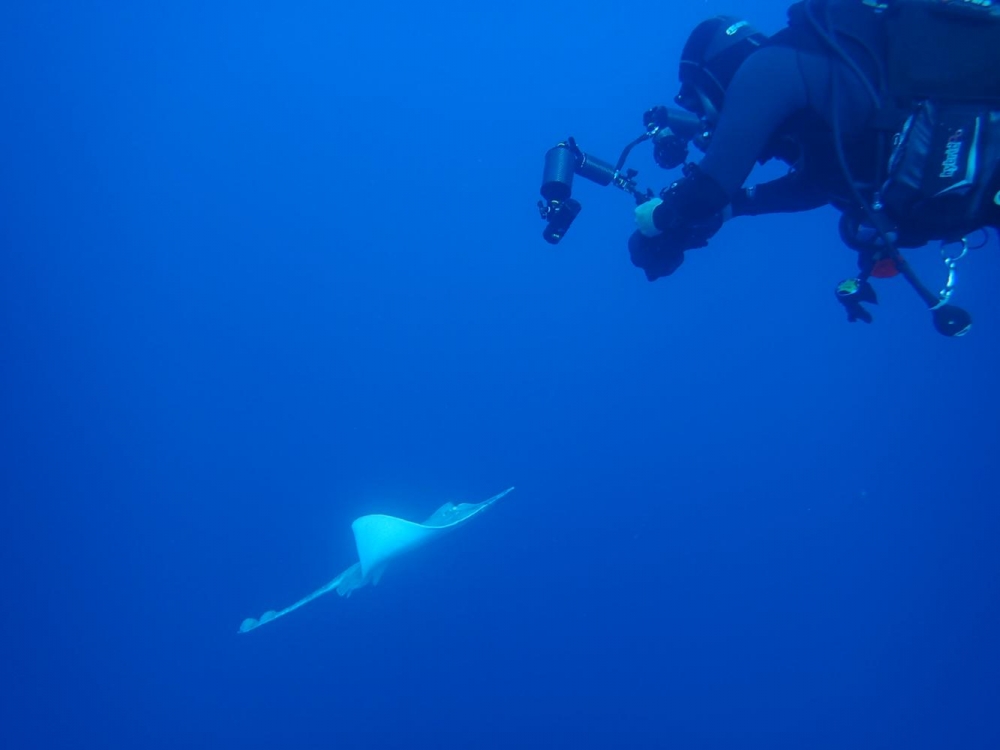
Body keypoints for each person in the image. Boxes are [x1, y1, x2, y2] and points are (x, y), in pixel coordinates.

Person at [628, 0, 1000, 330]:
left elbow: (709, 188)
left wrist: (657, 221)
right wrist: (733, 209)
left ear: (713, 73)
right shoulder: (822, 80)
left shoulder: (766, 68)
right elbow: (817, 184)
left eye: (699, 106)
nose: (708, 124)